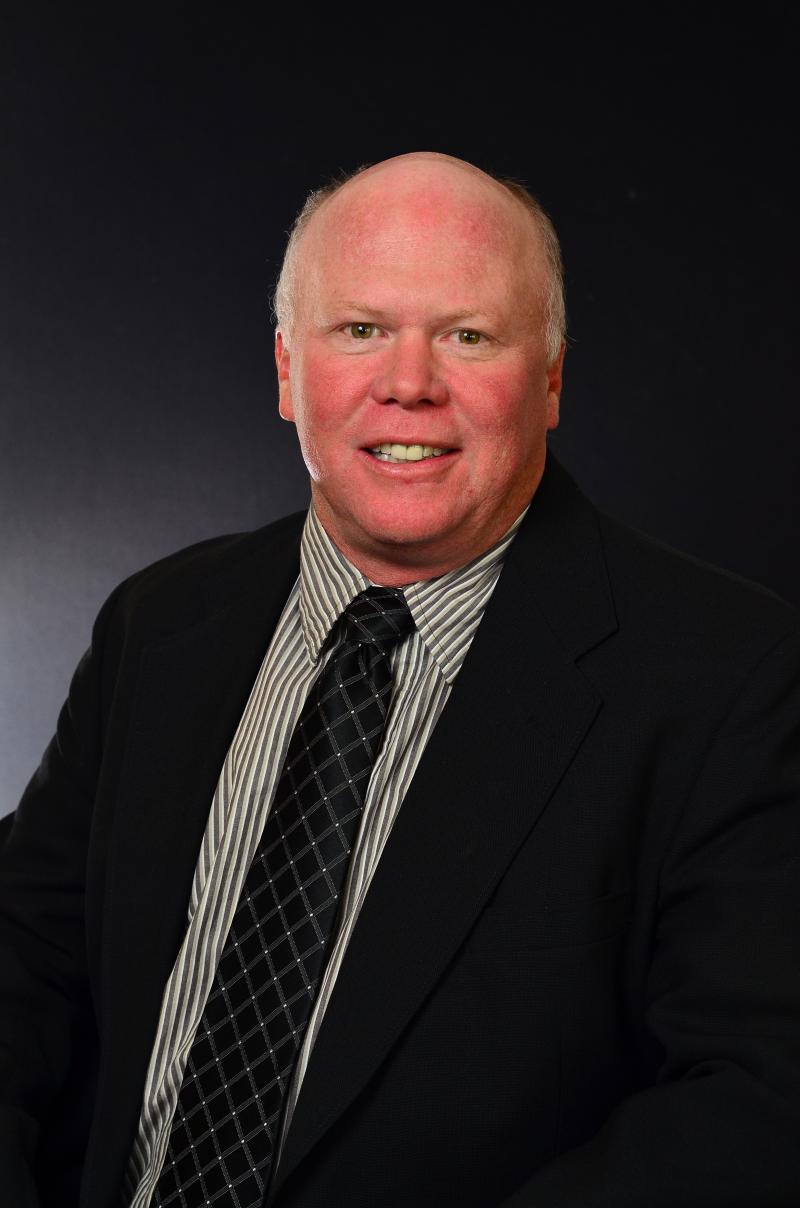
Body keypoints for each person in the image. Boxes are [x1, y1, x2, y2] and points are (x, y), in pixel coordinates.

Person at [1, 151, 799, 1208]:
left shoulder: (730, 674)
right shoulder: (159, 623)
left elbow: (755, 1100)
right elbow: (23, 960)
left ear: (550, 377)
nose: (408, 381)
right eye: (360, 329)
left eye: (468, 335)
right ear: (287, 368)